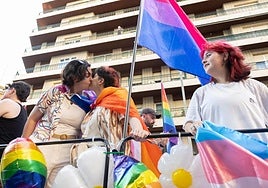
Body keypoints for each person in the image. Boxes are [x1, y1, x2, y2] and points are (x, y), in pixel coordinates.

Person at [22, 59, 95, 188]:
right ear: (75, 77)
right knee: (29, 184)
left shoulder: (90, 103)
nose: (91, 79)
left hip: (67, 152)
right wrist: (23, 145)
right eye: (88, 75)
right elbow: (32, 118)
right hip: (42, 145)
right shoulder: (55, 92)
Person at [81, 66, 162, 177]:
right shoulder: (94, 106)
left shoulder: (118, 95)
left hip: (115, 162)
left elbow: (131, 115)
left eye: (93, 76)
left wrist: (138, 130)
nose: (90, 79)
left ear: (101, 80)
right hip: (91, 164)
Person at [183, 41, 268, 143]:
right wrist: (193, 126)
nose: (203, 61)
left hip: (258, 155)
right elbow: (188, 124)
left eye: (208, 55)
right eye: (203, 58)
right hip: (219, 156)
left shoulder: (254, 86)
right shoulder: (201, 93)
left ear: (225, 55)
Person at [0, 81, 31, 158]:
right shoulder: (23, 112)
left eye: (7, 89)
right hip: (8, 155)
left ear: (12, 91)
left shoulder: (8, 103)